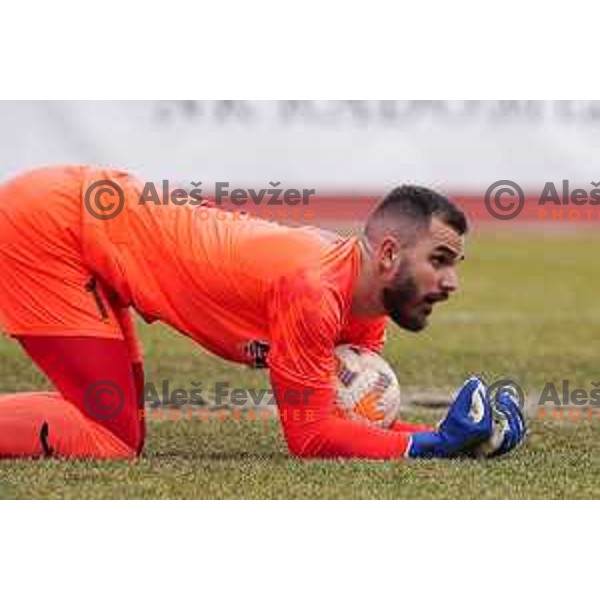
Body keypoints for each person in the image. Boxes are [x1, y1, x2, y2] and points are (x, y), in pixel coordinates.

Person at [0, 165, 524, 460]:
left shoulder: (364, 305)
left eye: (455, 264)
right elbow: (312, 437)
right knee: (110, 439)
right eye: (439, 260)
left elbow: (350, 421)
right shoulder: (314, 290)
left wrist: (462, 438)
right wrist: (435, 445)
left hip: (88, 223)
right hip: (50, 227)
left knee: (116, 428)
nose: (451, 282)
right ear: (388, 254)